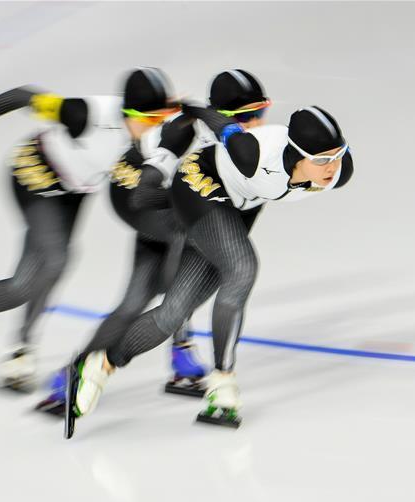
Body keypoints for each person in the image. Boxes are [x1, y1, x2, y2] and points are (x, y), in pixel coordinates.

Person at [63, 104, 354, 437]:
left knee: (173, 312)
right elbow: (218, 121)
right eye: (322, 160)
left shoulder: (339, 172)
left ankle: (99, 365)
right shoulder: (253, 153)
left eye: (338, 155)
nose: (333, 167)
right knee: (242, 267)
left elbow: (322, 167)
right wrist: (186, 114)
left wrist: (333, 159)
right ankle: (223, 381)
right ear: (297, 154)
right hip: (200, 184)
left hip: (237, 206)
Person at [0, 68, 180, 392]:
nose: (155, 126)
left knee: (33, 277)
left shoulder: (152, 123)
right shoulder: (84, 114)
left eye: (160, 118)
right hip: (35, 177)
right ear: (128, 113)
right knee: (53, 262)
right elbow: (21, 96)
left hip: (75, 189)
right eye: (149, 119)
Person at [35, 69, 272, 414]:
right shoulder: (190, 135)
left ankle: (170, 353)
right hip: (140, 198)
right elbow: (148, 195)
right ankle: (85, 370)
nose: (256, 123)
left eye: (261, 112)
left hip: (166, 205)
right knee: (169, 277)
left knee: (146, 295)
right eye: (245, 116)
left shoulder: (245, 144)